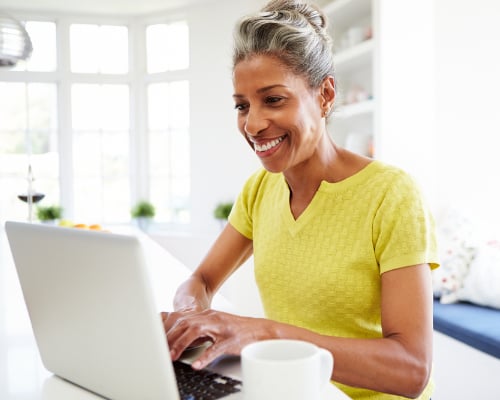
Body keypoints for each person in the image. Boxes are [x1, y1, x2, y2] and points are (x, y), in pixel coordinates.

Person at [162, 0, 439, 398]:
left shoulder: (391, 195)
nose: (253, 124)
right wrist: (190, 317)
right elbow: (201, 279)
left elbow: (411, 369)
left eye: (273, 99)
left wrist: (264, 333)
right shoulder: (260, 190)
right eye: (242, 105)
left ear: (325, 94)